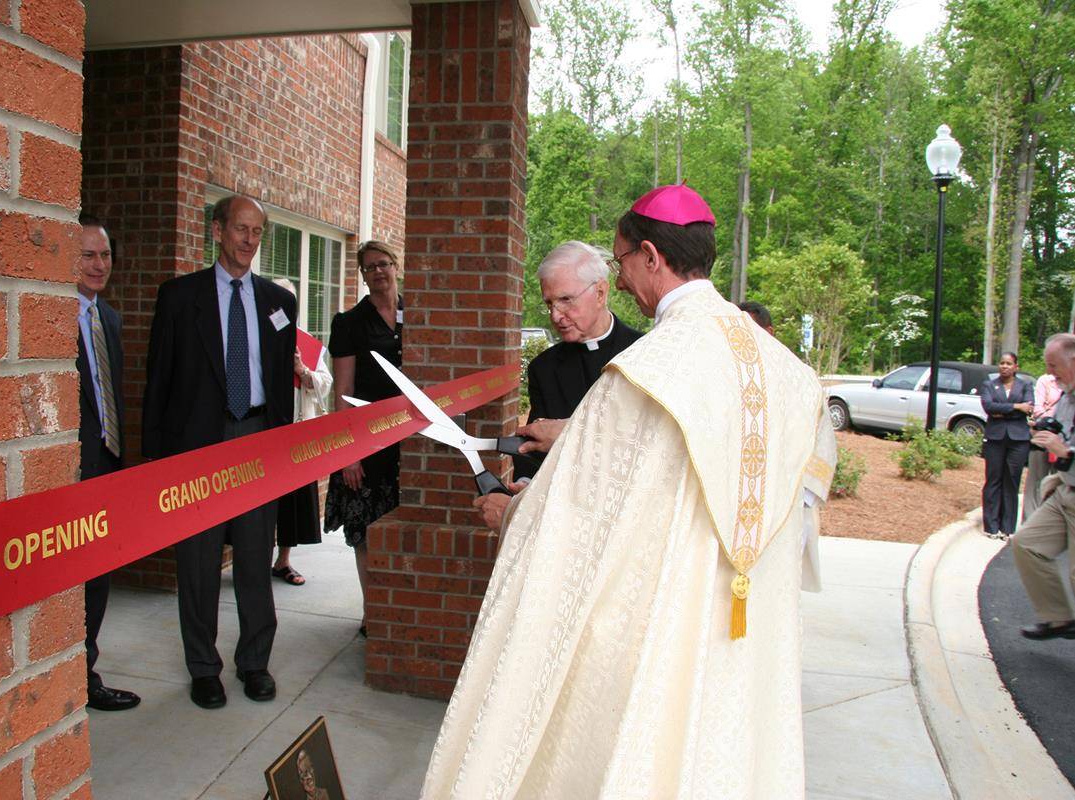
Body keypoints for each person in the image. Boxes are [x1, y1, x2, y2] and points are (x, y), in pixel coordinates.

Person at [420, 185, 836, 799]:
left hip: (661, 626)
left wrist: (511, 514)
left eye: (618, 262)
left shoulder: (648, 371)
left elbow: (582, 516)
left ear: (649, 256)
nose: (621, 275)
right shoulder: (790, 375)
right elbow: (800, 509)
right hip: (746, 629)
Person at [142, 195, 297, 708]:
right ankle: (203, 667)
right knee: (199, 562)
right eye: (240, 229)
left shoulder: (279, 302)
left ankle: (254, 662)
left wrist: (282, 450)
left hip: (255, 438)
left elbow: (280, 387)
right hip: (198, 448)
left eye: (257, 232)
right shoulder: (179, 297)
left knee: (254, 560)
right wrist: (156, 465)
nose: (249, 240)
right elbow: (158, 383)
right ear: (217, 231)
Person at [75, 214, 140, 712]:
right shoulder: (50, 316)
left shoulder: (109, 318)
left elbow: (111, 396)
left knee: (99, 573)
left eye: (105, 256)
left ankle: (85, 671)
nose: (100, 266)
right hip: (68, 472)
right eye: (88, 256)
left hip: (107, 464)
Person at [324, 241, 403, 636]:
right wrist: (348, 454)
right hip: (367, 444)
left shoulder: (418, 314)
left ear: (396, 266)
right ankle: (373, 615)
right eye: (369, 267)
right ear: (362, 275)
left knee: (400, 531)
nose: (378, 272)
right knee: (367, 535)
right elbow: (343, 392)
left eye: (384, 264)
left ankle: (398, 610)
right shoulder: (350, 323)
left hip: (410, 444)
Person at [513, 241, 643, 482]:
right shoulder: (544, 368)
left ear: (600, 293)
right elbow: (534, 449)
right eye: (549, 303)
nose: (555, 315)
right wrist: (524, 485)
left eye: (566, 300)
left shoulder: (643, 354)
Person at [269, 278, 333, 586]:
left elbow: (326, 383)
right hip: (262, 435)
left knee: (293, 502)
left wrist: (301, 370)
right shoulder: (257, 337)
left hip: (296, 434)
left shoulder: (307, 343)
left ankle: (284, 561)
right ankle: (251, 560)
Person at [1012, 333, 1075, 640]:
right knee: (1027, 544)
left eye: (1054, 365)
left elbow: (1068, 448)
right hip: (1064, 491)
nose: (1050, 372)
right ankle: (1057, 617)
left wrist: (1066, 454)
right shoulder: (1067, 397)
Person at [979, 352, 1034, 539]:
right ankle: (991, 526)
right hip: (995, 438)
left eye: (1009, 363)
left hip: (1018, 440)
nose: (1004, 366)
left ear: (1015, 367)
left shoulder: (1025, 385)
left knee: (1012, 480)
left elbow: (1029, 408)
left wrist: (1003, 410)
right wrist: (1016, 407)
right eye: (1002, 363)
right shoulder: (989, 384)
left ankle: (1007, 527)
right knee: (993, 479)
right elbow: (988, 407)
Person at [1023, 369, 1061, 520]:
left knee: (1058, 482)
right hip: (1043, 434)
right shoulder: (1045, 381)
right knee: (1036, 480)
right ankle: (1029, 522)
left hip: (1063, 440)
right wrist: (1052, 420)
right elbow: (1038, 409)